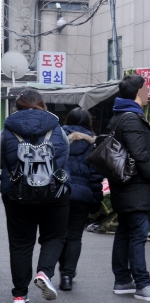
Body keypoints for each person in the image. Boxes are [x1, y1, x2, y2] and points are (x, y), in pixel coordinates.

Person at [1, 88, 71, 303]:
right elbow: (62, 161)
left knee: (20, 242)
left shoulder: (7, 132)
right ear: (43, 104)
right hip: (54, 192)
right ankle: (44, 273)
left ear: (17, 105)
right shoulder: (57, 130)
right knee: (54, 236)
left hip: (17, 193)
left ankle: (20, 294)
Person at [108, 74, 150, 302]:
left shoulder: (120, 116)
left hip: (124, 184)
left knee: (124, 230)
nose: (149, 93)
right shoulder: (131, 118)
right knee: (139, 233)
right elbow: (140, 154)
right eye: (146, 89)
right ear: (138, 93)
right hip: (135, 185)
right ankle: (143, 283)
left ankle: (122, 280)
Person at [57, 108, 104, 291]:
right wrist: (96, 199)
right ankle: (68, 275)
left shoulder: (58, 138)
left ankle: (62, 270)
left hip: (61, 193)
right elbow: (95, 176)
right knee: (75, 236)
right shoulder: (93, 144)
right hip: (83, 196)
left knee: (60, 235)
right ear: (88, 124)